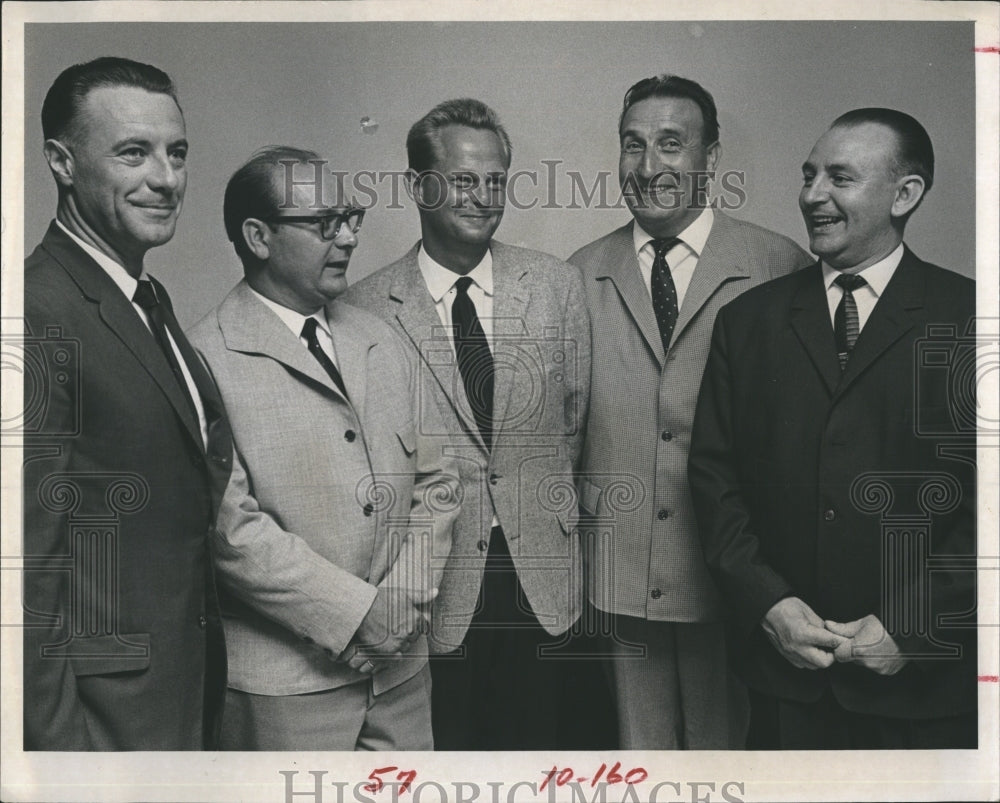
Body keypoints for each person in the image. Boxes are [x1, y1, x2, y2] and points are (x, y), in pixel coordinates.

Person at [688, 108, 977, 749]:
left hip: (926, 696)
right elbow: (714, 481)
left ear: (906, 194)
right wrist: (769, 606)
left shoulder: (972, 320)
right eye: (809, 174)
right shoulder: (748, 323)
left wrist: (914, 624)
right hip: (787, 687)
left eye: (839, 178)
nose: (813, 195)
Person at [568, 74, 813, 749]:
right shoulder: (577, 275)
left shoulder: (780, 266)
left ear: (711, 157)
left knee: (730, 764)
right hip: (617, 583)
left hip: (738, 584)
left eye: (671, 144)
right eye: (632, 145)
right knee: (637, 763)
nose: (649, 167)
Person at [187, 146, 458, 750]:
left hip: (403, 681)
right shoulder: (203, 357)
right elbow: (230, 532)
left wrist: (400, 606)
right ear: (258, 236)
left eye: (351, 217)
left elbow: (439, 483)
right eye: (323, 224)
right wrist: (360, 615)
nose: (348, 239)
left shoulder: (380, 337)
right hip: (286, 695)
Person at [344, 99, 593, 749]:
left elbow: (575, 420)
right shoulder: (362, 307)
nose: (483, 198)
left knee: (544, 763)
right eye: (462, 180)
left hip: (543, 575)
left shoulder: (556, 285)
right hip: (429, 586)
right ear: (417, 185)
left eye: (495, 181)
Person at [22, 56, 233, 750]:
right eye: (133, 153)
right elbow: (24, 571)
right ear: (61, 160)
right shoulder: (35, 310)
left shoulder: (143, 297)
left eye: (176, 153)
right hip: (101, 730)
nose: (166, 179)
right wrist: (60, 760)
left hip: (176, 700)